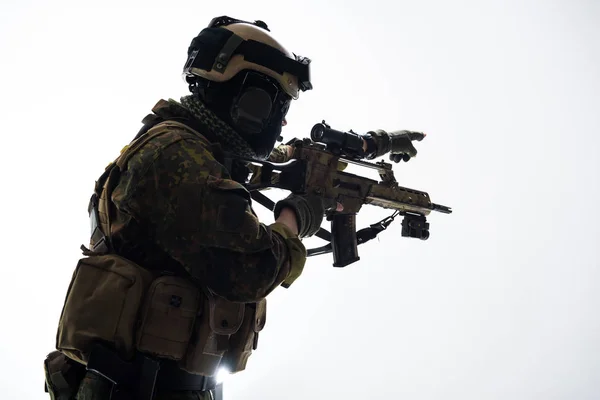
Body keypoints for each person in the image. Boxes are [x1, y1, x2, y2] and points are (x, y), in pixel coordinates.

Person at [43, 15, 421, 400]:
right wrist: (297, 216)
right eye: (278, 104)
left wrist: (380, 143)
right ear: (251, 101)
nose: (284, 118)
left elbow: (278, 158)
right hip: (137, 387)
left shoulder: (196, 150)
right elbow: (252, 269)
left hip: (160, 385)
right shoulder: (176, 156)